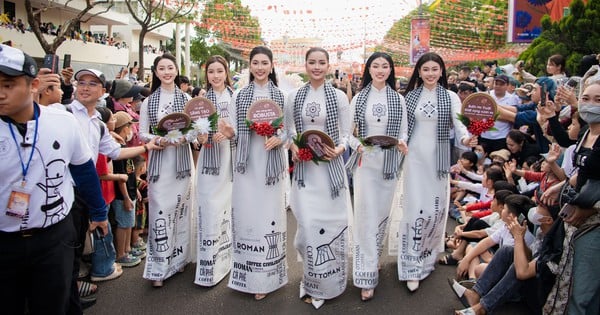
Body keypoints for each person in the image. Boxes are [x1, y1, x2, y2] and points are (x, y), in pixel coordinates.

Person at [0, 44, 107, 314]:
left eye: (8, 84)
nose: (1, 94)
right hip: (4, 241)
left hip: (53, 236)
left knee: (54, 304)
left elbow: (84, 170)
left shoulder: (62, 121)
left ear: (33, 84)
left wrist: (99, 212)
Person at [395, 52, 475, 292]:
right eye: (426, 69)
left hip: (438, 160)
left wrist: (465, 137)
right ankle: (411, 264)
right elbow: (403, 127)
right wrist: (401, 141)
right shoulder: (409, 97)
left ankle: (427, 259)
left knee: (434, 208)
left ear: (441, 72)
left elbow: (459, 123)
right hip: (414, 159)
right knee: (413, 209)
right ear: (418, 72)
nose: (430, 73)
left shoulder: (450, 97)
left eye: (434, 69)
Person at [284, 47, 351, 308]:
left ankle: (330, 282)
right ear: (305, 64)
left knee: (331, 228)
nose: (317, 67)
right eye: (312, 62)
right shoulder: (293, 97)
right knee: (308, 228)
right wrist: (293, 150)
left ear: (328, 65)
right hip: (305, 174)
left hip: (330, 174)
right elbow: (289, 132)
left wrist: (340, 149)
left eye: (321, 62)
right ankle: (311, 280)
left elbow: (346, 134)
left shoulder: (339, 97)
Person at [346, 52, 407, 301]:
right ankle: (365, 275)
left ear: (390, 70)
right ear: (368, 70)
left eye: (385, 66)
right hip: (366, 165)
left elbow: (403, 133)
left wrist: (402, 144)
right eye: (375, 66)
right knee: (365, 216)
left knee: (382, 215)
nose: (380, 70)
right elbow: (346, 133)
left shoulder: (399, 100)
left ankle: (374, 258)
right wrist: (357, 144)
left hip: (389, 165)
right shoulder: (359, 98)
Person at [228, 46, 288, 300]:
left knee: (269, 216)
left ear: (272, 66)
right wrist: (228, 131)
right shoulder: (239, 96)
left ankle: (268, 275)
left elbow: (291, 130)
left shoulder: (283, 96)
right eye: (256, 63)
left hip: (271, 166)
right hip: (246, 164)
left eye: (265, 63)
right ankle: (248, 273)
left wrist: (279, 137)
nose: (260, 67)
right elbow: (232, 129)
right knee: (247, 215)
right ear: (250, 66)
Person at [138, 53, 194, 288]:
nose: (167, 72)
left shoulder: (187, 98)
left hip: (181, 162)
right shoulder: (148, 102)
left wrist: (184, 138)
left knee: (181, 211)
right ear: (156, 72)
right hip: (160, 164)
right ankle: (158, 267)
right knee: (160, 212)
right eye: (162, 68)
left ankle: (179, 259)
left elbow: (195, 129)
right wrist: (159, 140)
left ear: (177, 69)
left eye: (170, 67)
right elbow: (142, 132)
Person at [194, 55, 234, 287]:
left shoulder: (235, 96)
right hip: (208, 161)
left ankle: (228, 258)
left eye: (219, 71)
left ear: (226, 72)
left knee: (227, 209)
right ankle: (209, 262)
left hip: (229, 158)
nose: (215, 76)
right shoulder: (201, 100)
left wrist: (229, 133)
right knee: (208, 206)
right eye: (211, 72)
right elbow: (194, 131)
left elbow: (240, 128)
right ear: (206, 74)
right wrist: (201, 136)